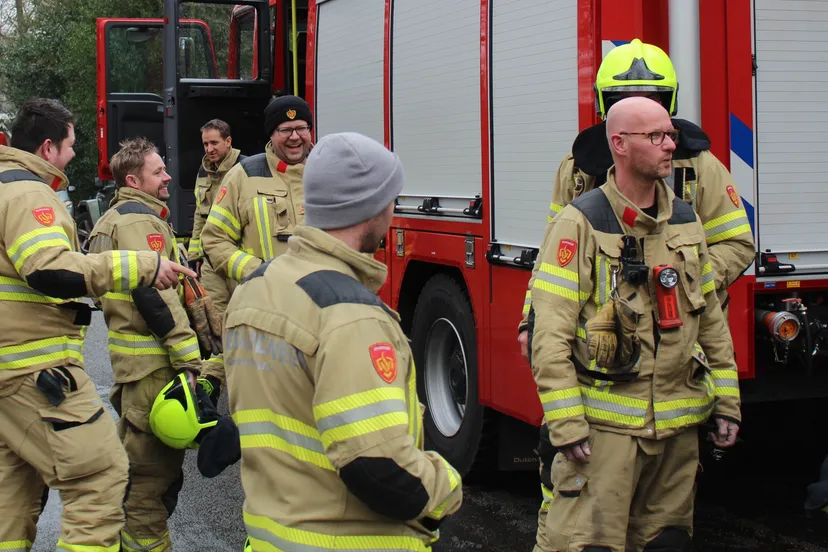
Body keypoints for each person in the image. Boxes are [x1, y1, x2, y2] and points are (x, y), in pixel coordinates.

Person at [225, 132, 462, 551]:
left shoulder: (253, 290)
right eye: (390, 198)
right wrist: (447, 488)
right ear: (371, 207)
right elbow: (379, 467)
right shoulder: (350, 316)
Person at [529, 97, 741, 552]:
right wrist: (566, 423)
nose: (670, 146)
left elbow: (711, 323)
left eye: (671, 136)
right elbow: (550, 335)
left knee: (667, 544)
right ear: (620, 144)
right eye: (657, 137)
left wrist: (727, 402)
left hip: (678, 438)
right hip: (604, 440)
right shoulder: (581, 222)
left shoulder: (686, 222)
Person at [0, 99, 192, 551]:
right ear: (48, 147)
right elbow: (48, 270)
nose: (73, 156)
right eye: (70, 145)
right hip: (34, 369)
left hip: (12, 373)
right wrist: (143, 265)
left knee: (14, 494)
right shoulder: (28, 194)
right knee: (101, 479)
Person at [519, 38, 754, 358]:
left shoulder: (698, 166)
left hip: (682, 343)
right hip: (602, 346)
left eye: (650, 102)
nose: (637, 111)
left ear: (668, 106)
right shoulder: (578, 169)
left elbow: (736, 245)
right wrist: (530, 321)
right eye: (624, 102)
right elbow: (552, 257)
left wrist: (678, 279)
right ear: (604, 106)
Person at [88, 137, 205, 551]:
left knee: (148, 474)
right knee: (149, 483)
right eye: (158, 171)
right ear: (134, 180)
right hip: (155, 371)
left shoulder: (116, 219)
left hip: (137, 371)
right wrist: (191, 359)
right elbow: (155, 294)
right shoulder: (139, 222)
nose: (168, 176)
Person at [200, 95, 311, 398]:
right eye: (284, 129)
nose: (294, 136)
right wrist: (256, 272)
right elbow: (213, 239)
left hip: (317, 313)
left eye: (301, 127)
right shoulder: (244, 175)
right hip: (264, 314)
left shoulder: (327, 173)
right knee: (266, 403)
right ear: (271, 134)